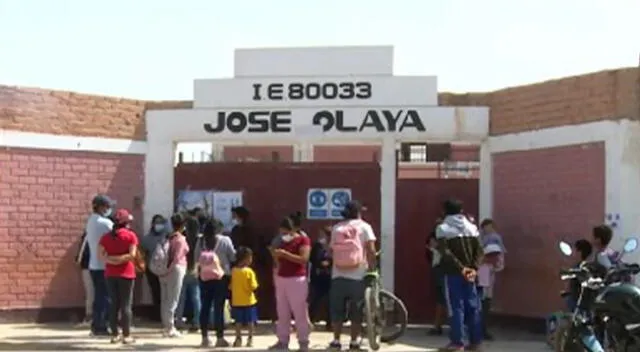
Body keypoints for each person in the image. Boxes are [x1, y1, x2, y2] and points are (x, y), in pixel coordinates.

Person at [327, 200, 377, 351]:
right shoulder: (365, 227)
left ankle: (336, 340)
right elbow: (371, 250)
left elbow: (330, 251)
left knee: (337, 310)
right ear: (359, 212)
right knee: (357, 310)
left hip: (338, 275)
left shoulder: (337, 228)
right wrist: (372, 269)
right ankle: (354, 342)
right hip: (358, 275)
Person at [436, 199, 484, 351]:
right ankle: (475, 342)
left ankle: (457, 342)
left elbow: (446, 253)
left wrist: (461, 268)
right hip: (471, 274)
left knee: (455, 307)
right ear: (461, 210)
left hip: (453, 274)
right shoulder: (472, 227)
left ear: (444, 211)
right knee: (472, 306)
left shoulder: (443, 228)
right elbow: (480, 251)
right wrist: (473, 268)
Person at [269, 217, 312, 351]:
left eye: (286, 232)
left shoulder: (303, 240)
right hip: (282, 278)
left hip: (297, 279)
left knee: (299, 312)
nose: (284, 235)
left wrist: (285, 254)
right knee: (282, 312)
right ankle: (282, 340)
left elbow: (303, 259)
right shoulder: (280, 242)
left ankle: (303, 341)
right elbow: (277, 261)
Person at [98, 209, 138, 344]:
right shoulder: (131, 236)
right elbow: (132, 255)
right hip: (127, 273)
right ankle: (126, 335)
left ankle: (115, 333)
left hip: (110, 273)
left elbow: (100, 256)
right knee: (126, 305)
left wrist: (111, 260)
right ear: (126, 222)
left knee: (114, 303)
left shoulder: (106, 237)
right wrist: (120, 259)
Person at [195, 218, 236, 347]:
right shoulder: (225, 240)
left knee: (205, 307)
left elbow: (196, 258)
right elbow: (233, 256)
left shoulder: (201, 241)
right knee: (219, 307)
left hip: (204, 277)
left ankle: (204, 338)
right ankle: (220, 338)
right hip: (221, 277)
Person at [85, 194, 115, 336]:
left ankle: (96, 324)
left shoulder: (91, 221)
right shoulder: (105, 223)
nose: (109, 209)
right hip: (105, 265)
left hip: (93, 265)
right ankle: (101, 325)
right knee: (105, 297)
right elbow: (119, 235)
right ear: (101, 207)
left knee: (98, 296)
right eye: (107, 207)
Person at [159, 213, 190, 338]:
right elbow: (177, 258)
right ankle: (170, 327)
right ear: (183, 225)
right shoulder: (181, 239)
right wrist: (169, 269)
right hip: (175, 269)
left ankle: (166, 326)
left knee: (165, 299)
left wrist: (164, 271)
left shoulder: (168, 237)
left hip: (163, 270)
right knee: (173, 299)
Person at [176, 208, 203, 332]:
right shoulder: (200, 239)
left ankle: (179, 320)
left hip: (183, 268)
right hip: (196, 269)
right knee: (196, 297)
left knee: (180, 297)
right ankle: (198, 321)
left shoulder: (182, 238)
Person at [140, 214, 167, 322]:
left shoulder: (167, 237)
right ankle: (157, 314)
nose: (158, 225)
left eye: (161, 223)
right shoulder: (146, 239)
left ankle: (165, 315)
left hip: (166, 269)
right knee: (155, 292)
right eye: (156, 223)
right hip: (151, 269)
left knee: (166, 293)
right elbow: (142, 253)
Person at [230, 246, 259, 347]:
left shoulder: (233, 271)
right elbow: (253, 286)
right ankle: (250, 339)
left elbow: (230, 286)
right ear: (246, 258)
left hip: (237, 301)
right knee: (250, 321)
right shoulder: (249, 272)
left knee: (238, 322)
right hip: (249, 301)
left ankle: (238, 339)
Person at [476, 243, 504, 341]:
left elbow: (500, 266)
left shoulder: (490, 266)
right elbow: (483, 284)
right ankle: (481, 332)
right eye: (494, 255)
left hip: (487, 293)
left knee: (484, 314)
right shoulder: (484, 267)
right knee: (482, 313)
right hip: (484, 295)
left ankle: (482, 331)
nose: (496, 257)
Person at [426, 218, 447, 336]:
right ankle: (438, 324)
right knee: (441, 297)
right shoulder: (434, 238)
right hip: (438, 269)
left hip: (443, 269)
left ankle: (439, 325)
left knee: (444, 297)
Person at [309, 226, 332, 329]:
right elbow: (312, 259)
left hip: (330, 276)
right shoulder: (317, 246)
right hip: (318, 276)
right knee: (315, 299)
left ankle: (330, 322)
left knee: (331, 301)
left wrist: (330, 262)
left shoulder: (333, 247)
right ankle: (311, 320)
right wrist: (320, 263)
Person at [75, 231, 93, 324]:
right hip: (98, 266)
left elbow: (81, 254)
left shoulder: (87, 234)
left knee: (90, 292)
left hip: (87, 266)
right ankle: (90, 316)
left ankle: (89, 315)